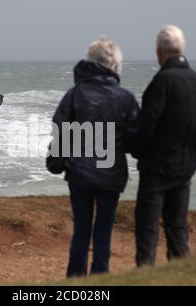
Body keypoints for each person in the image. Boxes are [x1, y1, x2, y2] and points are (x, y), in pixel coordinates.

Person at [48, 37, 140, 277]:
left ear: (90, 63)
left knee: (81, 229)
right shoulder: (125, 98)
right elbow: (134, 140)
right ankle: (101, 281)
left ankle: (75, 282)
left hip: (79, 173)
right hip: (111, 174)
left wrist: (56, 163)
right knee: (104, 230)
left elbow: (61, 131)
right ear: (115, 65)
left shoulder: (75, 94)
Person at [131, 25, 196, 266]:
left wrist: (138, 152)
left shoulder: (161, 81)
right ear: (182, 49)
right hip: (186, 166)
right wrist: (189, 150)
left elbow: (146, 128)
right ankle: (181, 277)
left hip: (156, 168)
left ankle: (146, 278)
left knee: (148, 227)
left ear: (159, 52)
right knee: (177, 226)